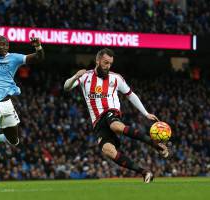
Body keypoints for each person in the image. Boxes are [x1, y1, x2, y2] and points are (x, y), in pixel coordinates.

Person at [63, 48, 169, 183]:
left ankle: (155, 144)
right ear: (98, 60)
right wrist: (75, 76)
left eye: (110, 64)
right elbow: (66, 87)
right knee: (108, 150)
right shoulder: (85, 76)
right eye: (105, 63)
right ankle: (144, 172)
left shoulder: (116, 78)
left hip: (111, 112)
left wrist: (146, 113)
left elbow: (131, 95)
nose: (108, 66)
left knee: (115, 125)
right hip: (97, 122)